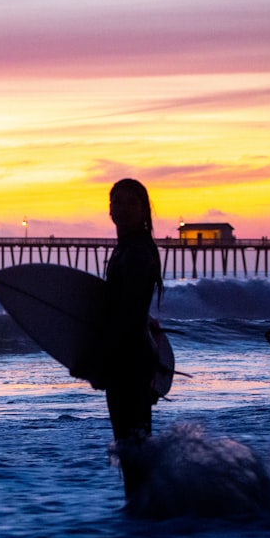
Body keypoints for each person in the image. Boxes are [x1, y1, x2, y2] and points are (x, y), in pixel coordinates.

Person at [99, 179, 164, 498]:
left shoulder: (136, 251)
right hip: (136, 354)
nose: (121, 208)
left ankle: (144, 520)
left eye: (130, 202)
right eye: (116, 201)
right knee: (134, 444)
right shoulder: (132, 247)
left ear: (144, 209)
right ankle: (146, 518)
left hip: (129, 358)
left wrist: (99, 361)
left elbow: (125, 316)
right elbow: (132, 305)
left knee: (131, 445)